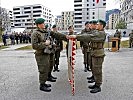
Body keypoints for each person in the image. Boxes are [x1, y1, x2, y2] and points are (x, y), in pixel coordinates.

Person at [68, 19, 106, 93]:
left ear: (101, 26)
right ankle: (96, 83)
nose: (96, 25)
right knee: (94, 69)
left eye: (98, 24)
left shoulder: (101, 33)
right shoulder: (97, 32)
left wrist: (76, 36)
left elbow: (88, 36)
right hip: (95, 52)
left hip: (98, 54)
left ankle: (98, 86)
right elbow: (87, 34)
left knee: (97, 70)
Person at [31, 18, 66, 92]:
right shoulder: (35, 33)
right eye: (42, 23)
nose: (44, 24)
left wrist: (66, 37)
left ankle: (48, 77)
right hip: (41, 54)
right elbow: (34, 46)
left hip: (48, 52)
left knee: (50, 65)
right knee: (43, 69)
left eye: (44, 23)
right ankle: (42, 84)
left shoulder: (46, 31)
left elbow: (56, 34)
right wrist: (45, 44)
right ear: (38, 25)